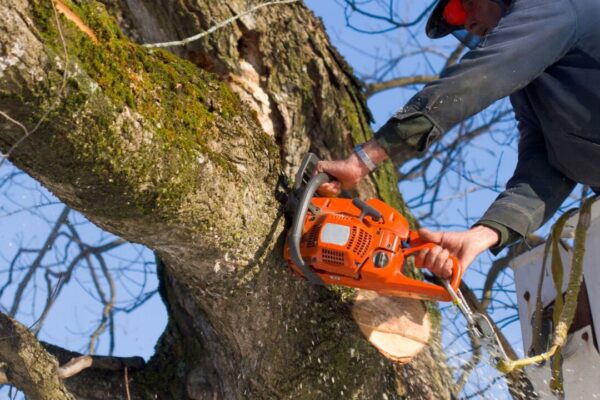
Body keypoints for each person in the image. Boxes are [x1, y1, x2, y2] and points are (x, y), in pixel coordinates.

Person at [318, 0, 600, 279]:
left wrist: (363, 159)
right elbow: (548, 167)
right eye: (457, 18)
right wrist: (481, 235)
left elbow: (481, 76)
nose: (467, 23)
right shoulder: (537, 86)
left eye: (466, 5)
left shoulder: (558, 6)